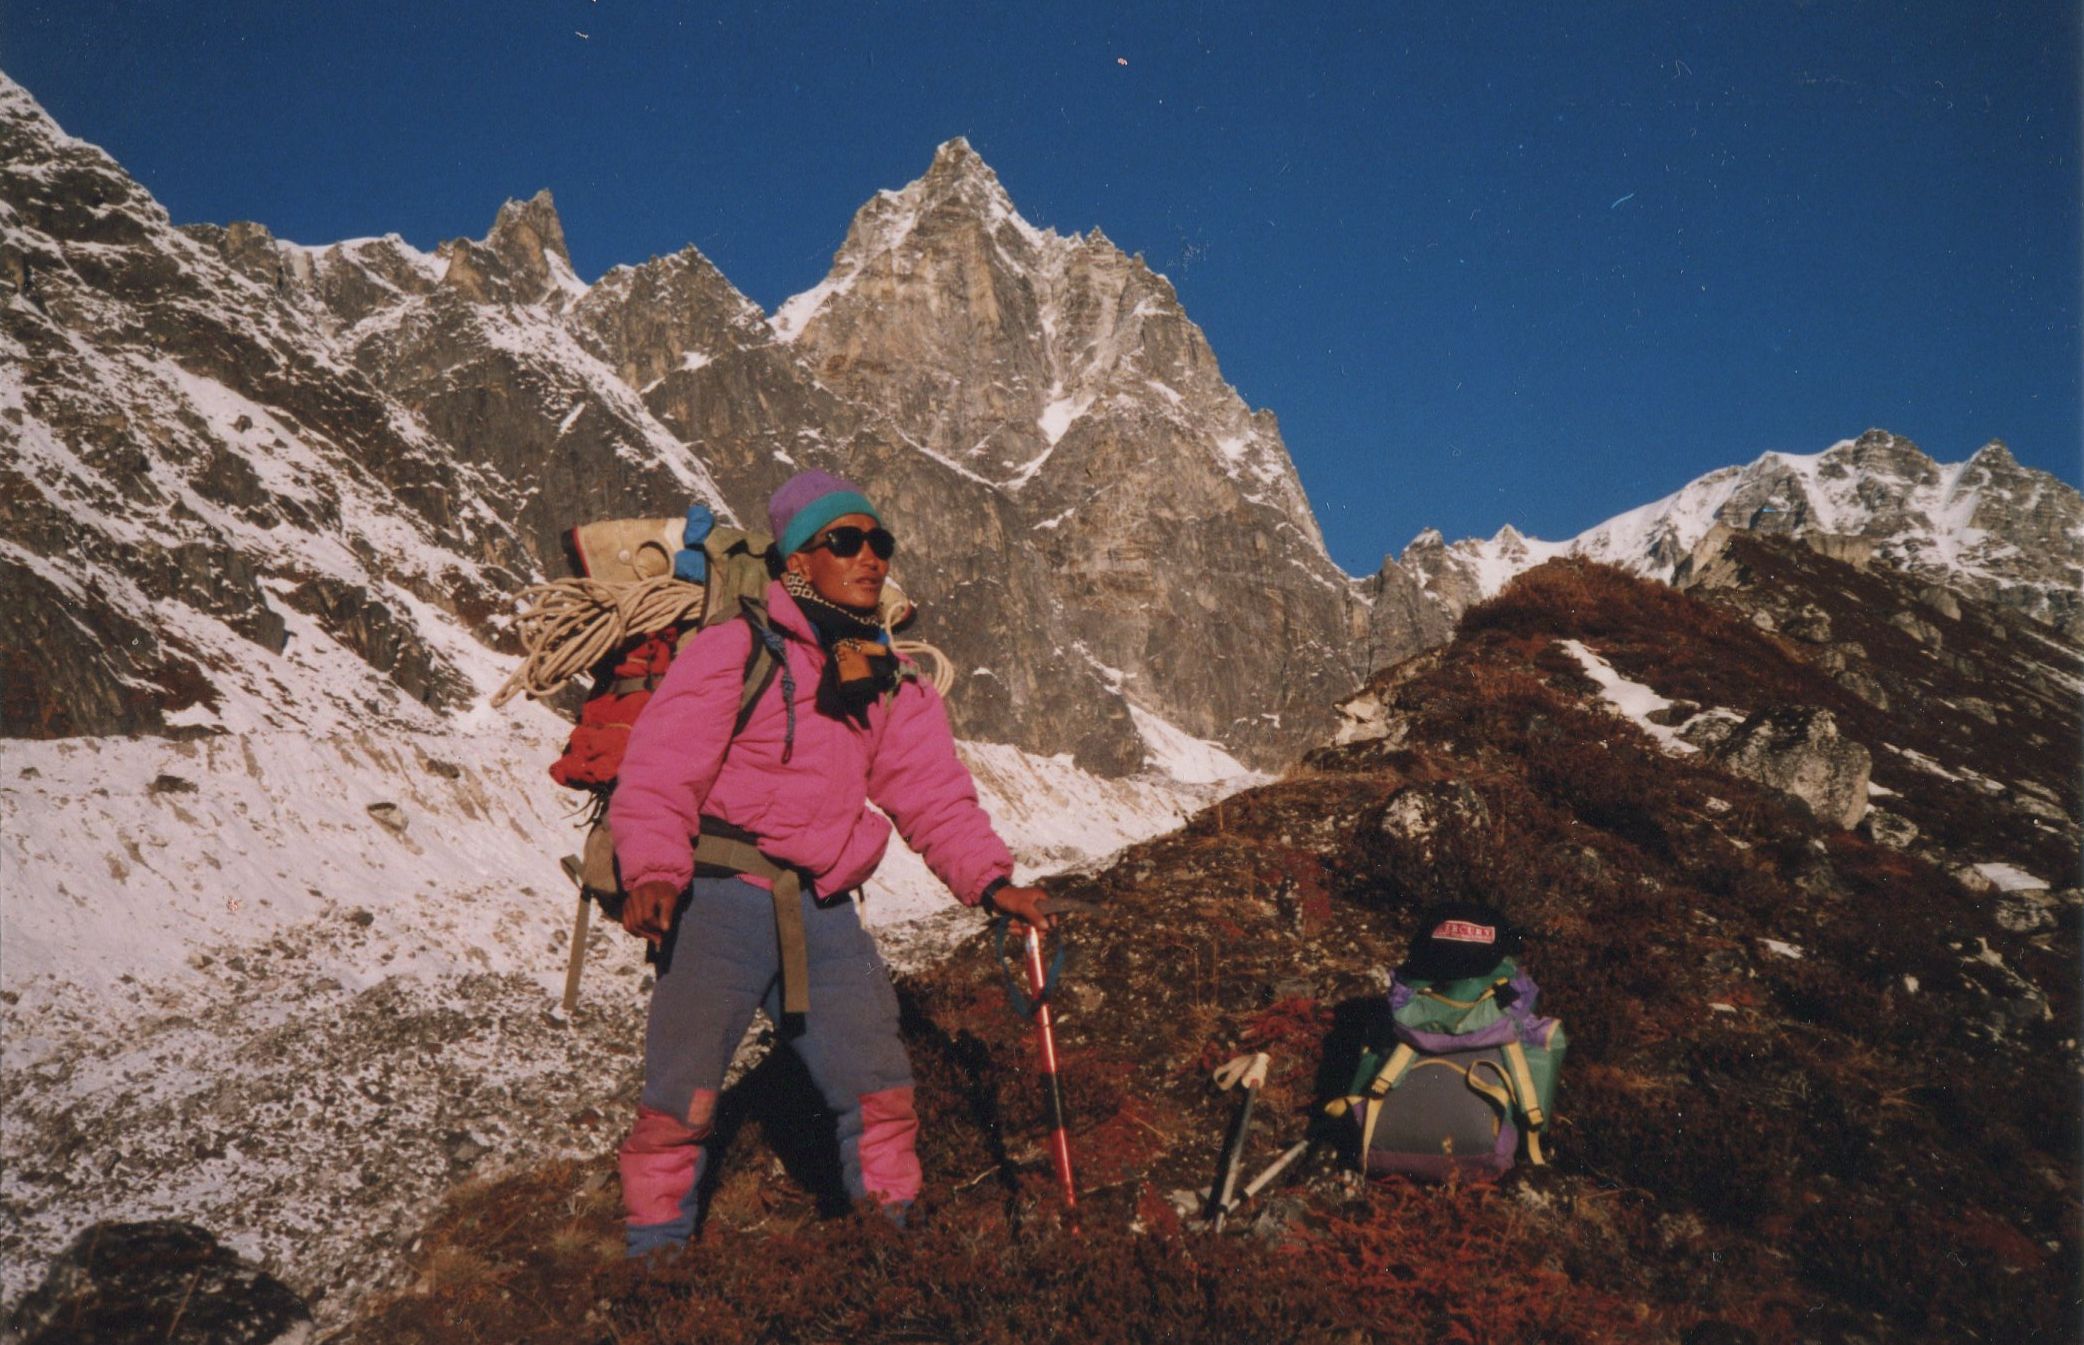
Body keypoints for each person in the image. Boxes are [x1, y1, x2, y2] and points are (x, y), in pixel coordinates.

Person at [607, 468, 1052, 1254]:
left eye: (879, 541)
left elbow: (933, 797)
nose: (870, 556)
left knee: (880, 1091)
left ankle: (894, 1254)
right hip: (714, 903)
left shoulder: (887, 681)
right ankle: (656, 1278)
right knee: (679, 1106)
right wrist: (651, 870)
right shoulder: (734, 648)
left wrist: (994, 882)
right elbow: (660, 770)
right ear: (796, 561)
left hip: (824, 913)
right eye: (843, 541)